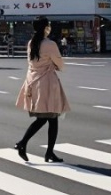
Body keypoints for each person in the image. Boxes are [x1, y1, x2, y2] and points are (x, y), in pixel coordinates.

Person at [14, 17, 70, 163]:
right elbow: (60, 64)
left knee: (48, 118)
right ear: (46, 27)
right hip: (48, 84)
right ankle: (24, 143)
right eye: (49, 25)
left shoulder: (31, 43)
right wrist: (55, 66)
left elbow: (31, 63)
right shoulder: (50, 44)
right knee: (48, 117)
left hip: (34, 81)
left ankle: (47, 151)